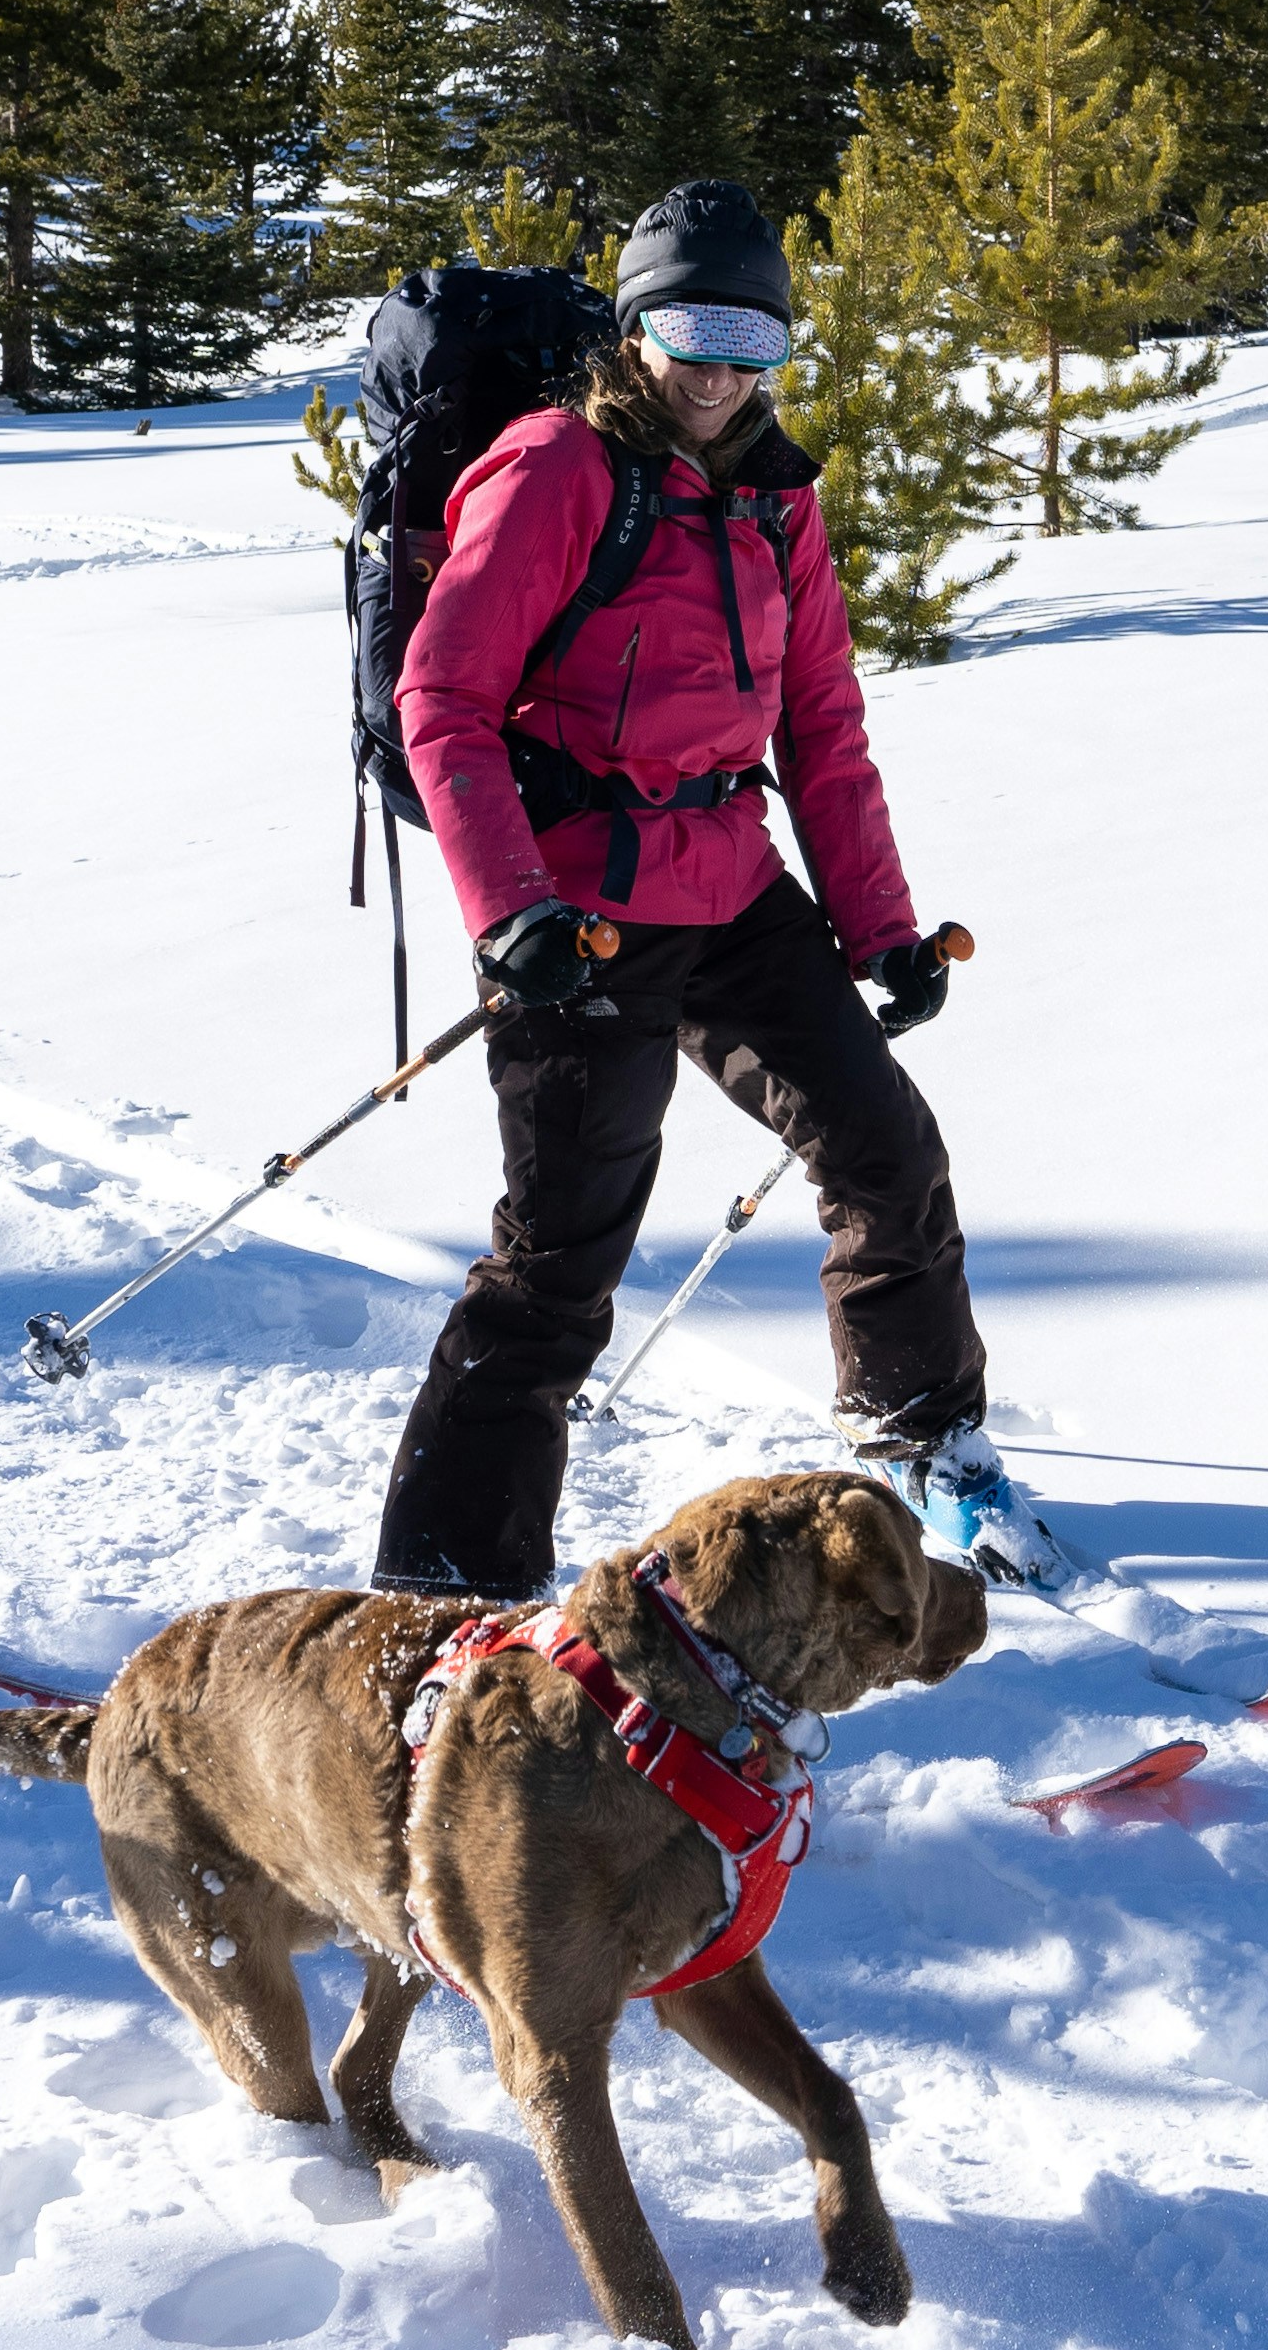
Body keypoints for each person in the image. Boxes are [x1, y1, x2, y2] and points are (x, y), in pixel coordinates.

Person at [367, 179, 1026, 1600]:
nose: (719, 368)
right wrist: (509, 906)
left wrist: (882, 927)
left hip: (731, 888)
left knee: (884, 1149)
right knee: (558, 1265)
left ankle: (922, 1434)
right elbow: (444, 697)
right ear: (632, 327)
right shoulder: (554, 469)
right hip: (577, 913)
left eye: (752, 334)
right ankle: (444, 1589)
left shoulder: (775, 497)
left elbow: (823, 727)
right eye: (688, 328)